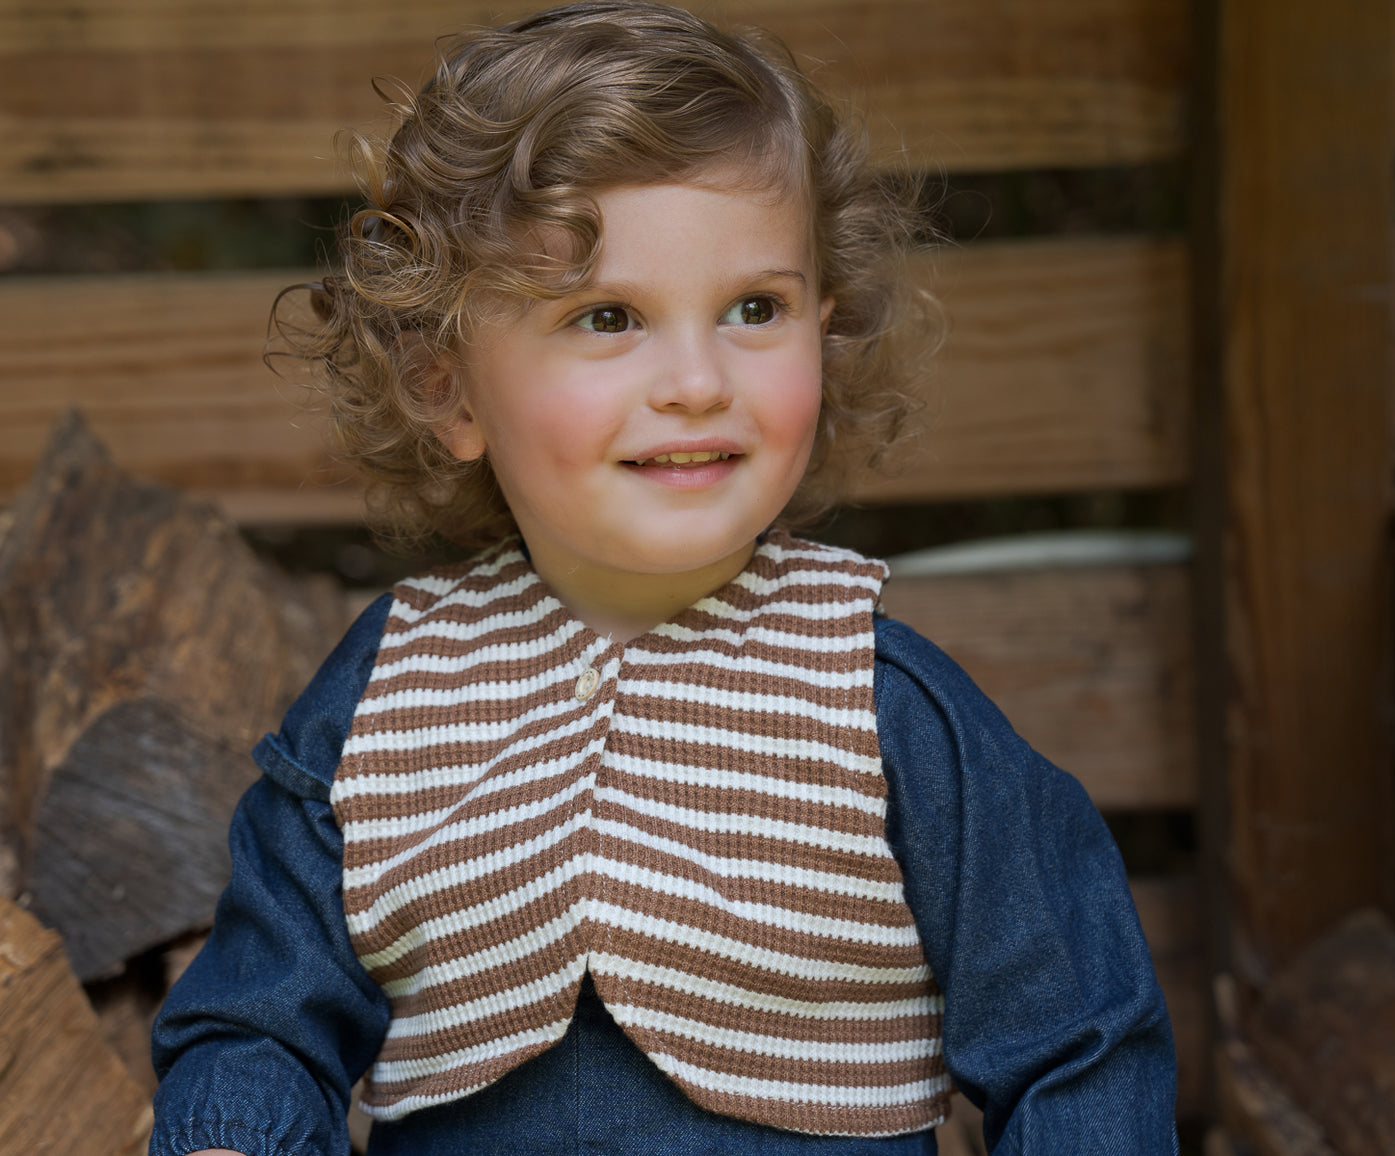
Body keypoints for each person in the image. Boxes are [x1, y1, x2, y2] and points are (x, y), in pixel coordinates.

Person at [148, 3, 1180, 1153]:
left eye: (754, 309)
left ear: (823, 336)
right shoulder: (386, 697)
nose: (696, 380)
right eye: (607, 316)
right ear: (447, 390)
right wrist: (231, 1128)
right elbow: (260, 1016)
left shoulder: (879, 707)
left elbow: (1077, 1039)